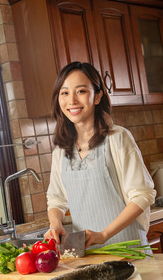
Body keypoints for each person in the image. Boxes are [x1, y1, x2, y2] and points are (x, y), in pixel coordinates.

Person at [44, 61, 156, 249]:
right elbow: (57, 199)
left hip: (128, 250)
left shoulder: (118, 138)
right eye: (64, 93)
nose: (72, 101)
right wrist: (55, 223)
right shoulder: (61, 152)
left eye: (81, 91)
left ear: (97, 97)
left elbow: (142, 195)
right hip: (88, 255)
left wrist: (103, 235)